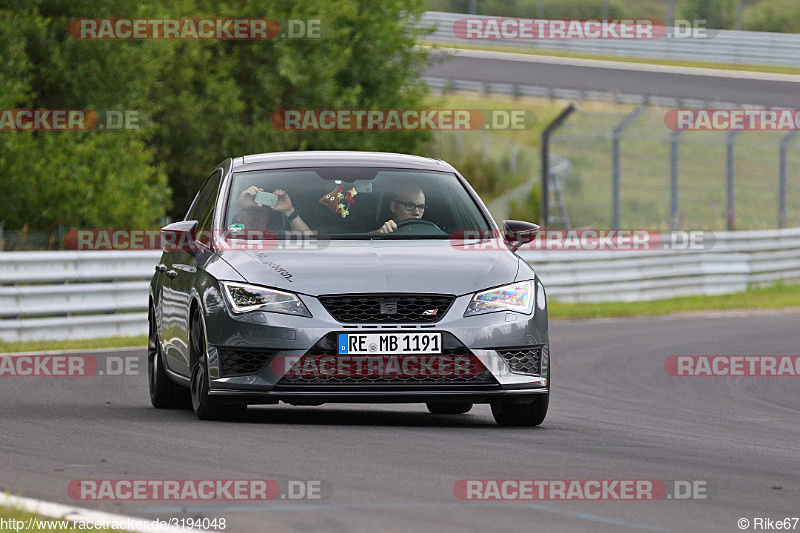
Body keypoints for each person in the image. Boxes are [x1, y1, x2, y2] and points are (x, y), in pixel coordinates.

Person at [235, 186, 311, 233]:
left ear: (268, 217)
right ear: (239, 216)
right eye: (251, 212)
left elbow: (311, 243)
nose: (257, 218)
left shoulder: (280, 237)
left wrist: (289, 211)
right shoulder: (227, 238)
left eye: (262, 213)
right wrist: (238, 204)